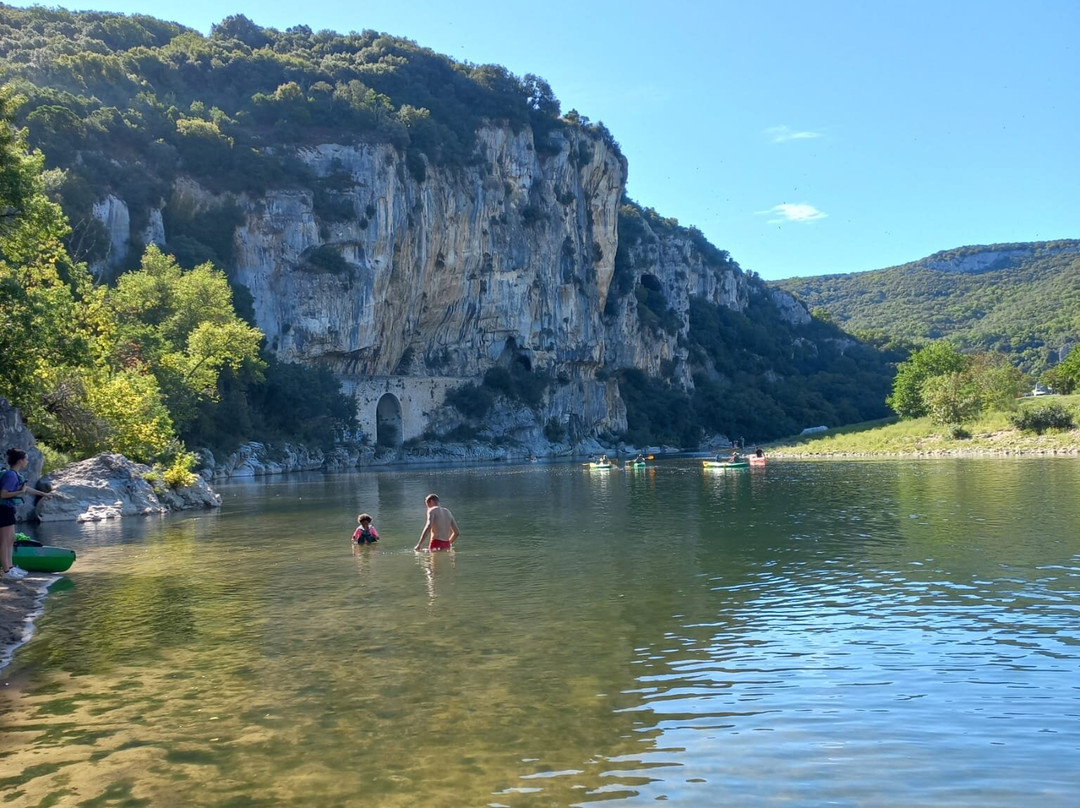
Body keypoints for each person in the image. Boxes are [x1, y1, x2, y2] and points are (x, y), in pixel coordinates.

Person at [1, 448, 54, 580]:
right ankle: (6, 571)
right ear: (20, 460)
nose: (27, 461)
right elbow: (3, 494)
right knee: (4, 541)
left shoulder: (15, 474)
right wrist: (20, 492)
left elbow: (26, 489)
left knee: (11, 540)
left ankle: (11, 568)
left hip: (8, 510)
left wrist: (44, 494)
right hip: (3, 510)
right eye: (26, 459)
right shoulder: (10, 475)